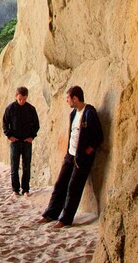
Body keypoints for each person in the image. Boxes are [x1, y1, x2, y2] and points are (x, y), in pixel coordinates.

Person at [39, 85, 103, 227]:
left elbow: (98, 136)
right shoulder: (73, 114)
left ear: (75, 98)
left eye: (68, 98)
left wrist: (88, 151)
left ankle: (65, 219)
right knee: (60, 184)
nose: (67, 101)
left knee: (74, 188)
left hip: (82, 158)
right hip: (70, 155)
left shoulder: (89, 112)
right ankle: (51, 213)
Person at [2, 86, 40, 197]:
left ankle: (26, 189)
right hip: (15, 141)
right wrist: (9, 136)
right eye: (20, 99)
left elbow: (36, 125)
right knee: (14, 166)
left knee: (26, 166)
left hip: (27, 141)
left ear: (27, 97)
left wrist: (32, 137)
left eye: (24, 99)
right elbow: (5, 124)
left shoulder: (31, 109)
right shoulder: (10, 108)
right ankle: (15, 189)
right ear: (16, 96)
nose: (22, 101)